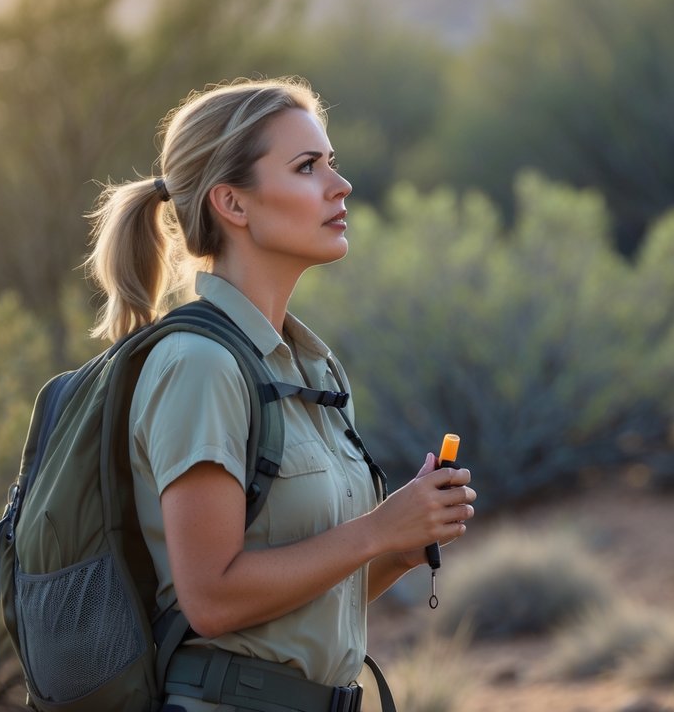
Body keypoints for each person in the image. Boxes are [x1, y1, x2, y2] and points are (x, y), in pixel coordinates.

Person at [84, 75, 476, 712]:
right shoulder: (199, 366)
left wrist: (400, 548)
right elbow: (211, 600)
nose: (339, 185)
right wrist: (376, 530)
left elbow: (291, 606)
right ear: (232, 205)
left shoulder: (310, 371)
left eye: (332, 163)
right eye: (306, 167)